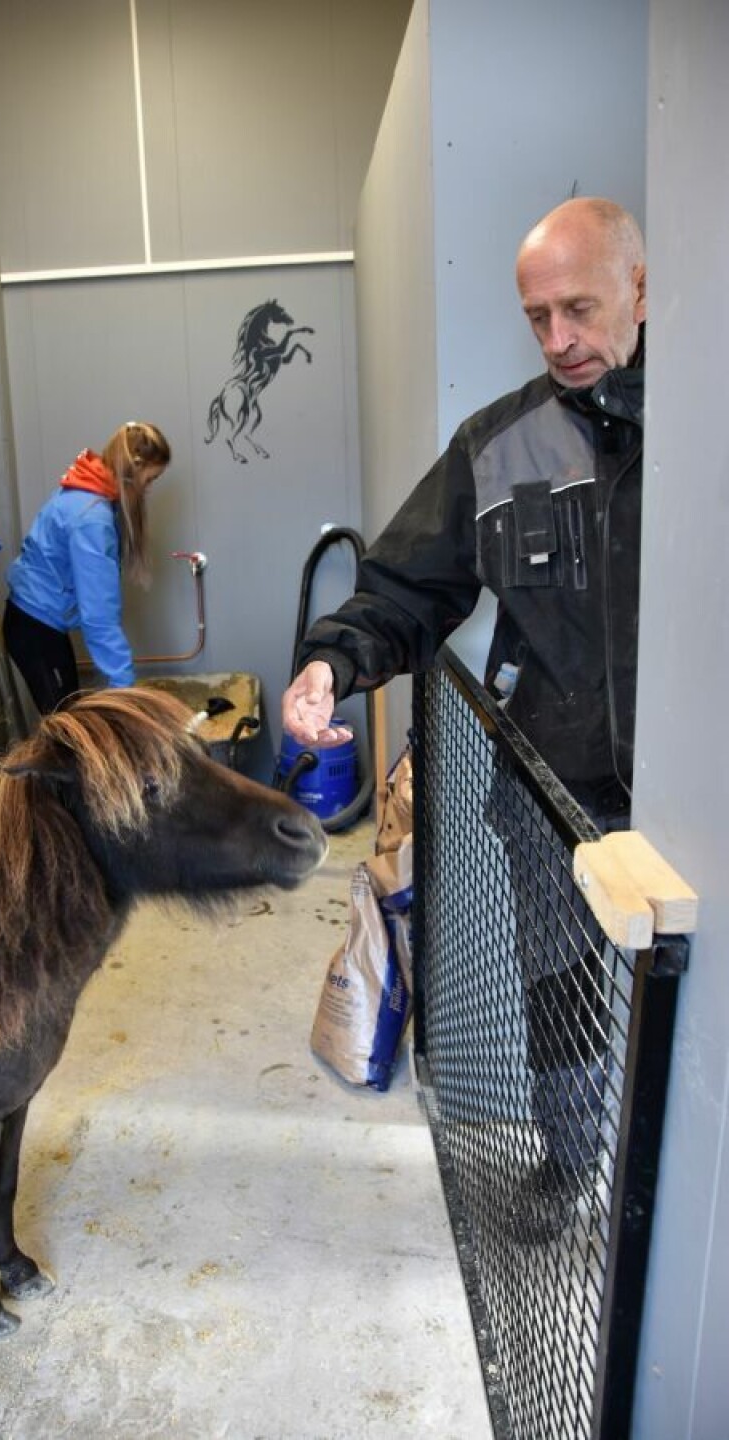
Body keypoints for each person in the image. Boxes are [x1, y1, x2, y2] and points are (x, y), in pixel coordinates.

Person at [281, 196, 646, 1243]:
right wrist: (329, 664)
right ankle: (571, 1168)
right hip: (554, 786)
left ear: (640, 288)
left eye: (579, 309)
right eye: (537, 317)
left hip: (693, 792)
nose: (558, 340)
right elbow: (404, 588)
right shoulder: (496, 448)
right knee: (561, 987)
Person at [4, 421, 171, 714]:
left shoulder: (83, 488)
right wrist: (125, 692)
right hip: (35, 626)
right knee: (67, 727)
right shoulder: (92, 519)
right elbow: (99, 617)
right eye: (149, 480)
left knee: (71, 717)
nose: (148, 489)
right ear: (134, 469)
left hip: (36, 620)